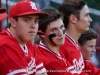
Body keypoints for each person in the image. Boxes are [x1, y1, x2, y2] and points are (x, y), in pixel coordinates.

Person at [0, 0, 48, 75]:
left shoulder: (27, 42)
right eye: (27, 20)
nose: (33, 26)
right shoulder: (5, 45)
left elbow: (43, 73)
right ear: (13, 22)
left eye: (36, 21)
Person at [37, 7, 78, 75]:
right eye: (54, 30)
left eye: (61, 27)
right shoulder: (49, 61)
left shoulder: (55, 49)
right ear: (42, 34)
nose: (60, 33)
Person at [59, 0, 92, 74]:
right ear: (73, 19)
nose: (90, 20)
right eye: (86, 15)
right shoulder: (62, 45)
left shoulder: (73, 42)